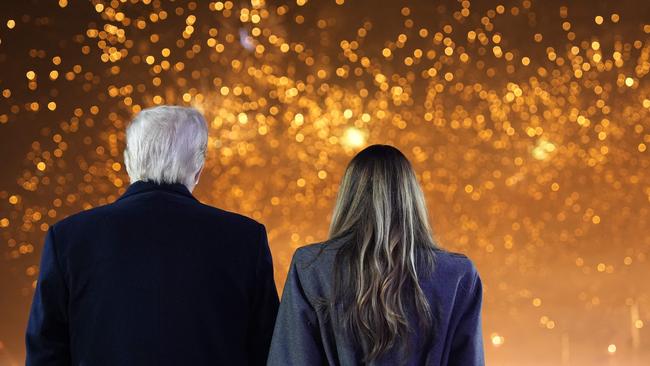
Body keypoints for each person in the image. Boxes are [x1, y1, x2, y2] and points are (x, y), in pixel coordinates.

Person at [25, 106, 279, 365]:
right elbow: (272, 352)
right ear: (199, 168)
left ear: (127, 162)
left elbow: (45, 354)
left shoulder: (68, 238)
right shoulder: (246, 239)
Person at [268, 144, 484, 366]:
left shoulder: (311, 266)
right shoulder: (458, 274)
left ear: (348, 196)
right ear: (411, 197)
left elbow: (291, 359)